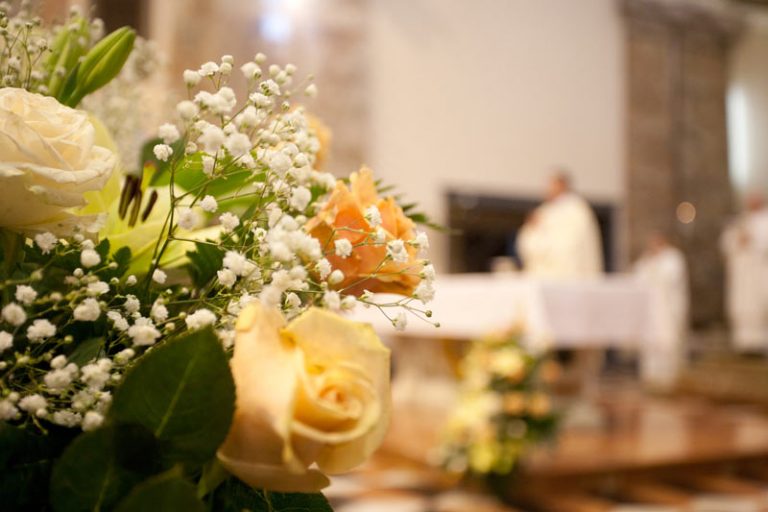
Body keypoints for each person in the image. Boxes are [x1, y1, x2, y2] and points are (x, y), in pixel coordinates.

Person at [517, 171, 603, 278]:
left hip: (569, 271)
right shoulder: (544, 211)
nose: (548, 189)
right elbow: (530, 236)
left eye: (553, 184)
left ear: (563, 185)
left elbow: (572, 241)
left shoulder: (576, 209)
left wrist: (551, 249)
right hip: (544, 271)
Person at [634, 232, 689, 390]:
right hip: (650, 311)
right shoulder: (646, 260)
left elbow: (670, 278)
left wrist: (654, 266)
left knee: (668, 341)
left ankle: (669, 378)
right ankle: (650, 376)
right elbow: (638, 278)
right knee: (650, 344)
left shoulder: (673, 258)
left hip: (668, 308)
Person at [720, 194, 768, 353]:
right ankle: (744, 343)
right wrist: (737, 241)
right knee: (742, 306)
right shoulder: (741, 220)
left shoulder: (765, 220)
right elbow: (726, 242)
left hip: (758, 271)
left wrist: (752, 240)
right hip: (742, 273)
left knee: (759, 305)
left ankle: (762, 342)